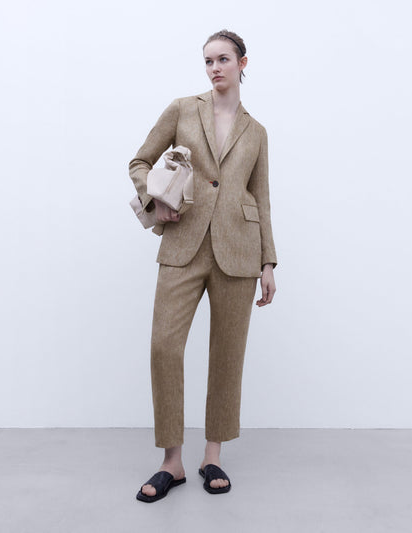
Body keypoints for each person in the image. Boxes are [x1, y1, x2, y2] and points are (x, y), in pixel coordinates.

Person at [129, 29, 277, 503]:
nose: (215, 68)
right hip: (183, 243)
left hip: (239, 249)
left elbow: (261, 198)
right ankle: (171, 462)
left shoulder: (257, 132)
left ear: (242, 63)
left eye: (223, 59)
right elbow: (140, 161)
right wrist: (155, 198)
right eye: (208, 61)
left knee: (227, 355)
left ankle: (212, 455)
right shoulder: (181, 109)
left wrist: (268, 261)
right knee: (164, 347)